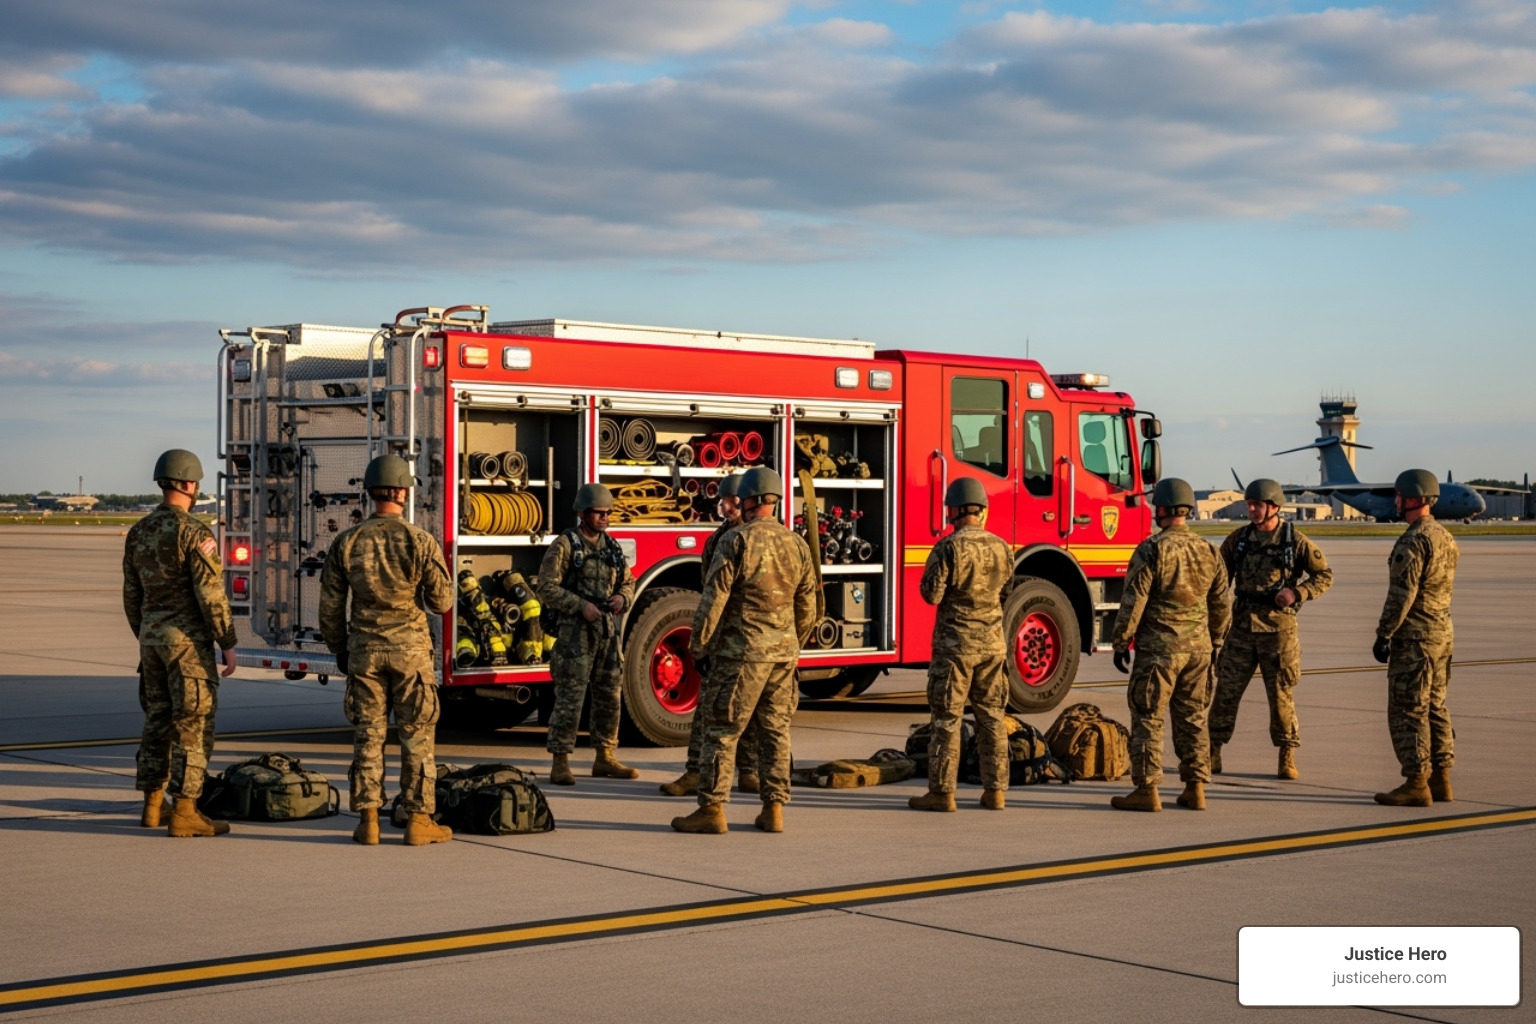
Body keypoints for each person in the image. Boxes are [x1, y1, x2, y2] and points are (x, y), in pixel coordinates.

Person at [320, 454, 455, 846]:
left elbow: (330, 607)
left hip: (364, 651)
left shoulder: (347, 541)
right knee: (416, 736)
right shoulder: (420, 541)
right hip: (410, 653)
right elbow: (442, 601)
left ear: (371, 491)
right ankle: (418, 820)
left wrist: (341, 648)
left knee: (369, 735)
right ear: (401, 491)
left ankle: (368, 821)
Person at [673, 467, 817, 834]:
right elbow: (809, 607)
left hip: (741, 655)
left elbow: (713, 599)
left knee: (722, 731)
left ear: (748, 499)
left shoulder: (736, 541)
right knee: (776, 732)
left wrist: (699, 647)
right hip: (783, 657)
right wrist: (790, 641)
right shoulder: (797, 543)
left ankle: (712, 810)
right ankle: (773, 810)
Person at [122, 449, 238, 837]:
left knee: (156, 722)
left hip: (151, 642)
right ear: (191, 484)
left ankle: (153, 807)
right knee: (192, 725)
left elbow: (131, 594)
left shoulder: (139, 531)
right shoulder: (194, 532)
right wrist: (227, 640)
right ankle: (186, 810)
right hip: (186, 645)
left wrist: (146, 634)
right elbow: (210, 595)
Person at [1108, 478, 1231, 812]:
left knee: (1148, 716)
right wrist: (1216, 641)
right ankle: (1195, 788)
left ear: (1160, 509)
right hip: (1199, 650)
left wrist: (1121, 642)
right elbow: (1221, 604)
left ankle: (1147, 789)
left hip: (1159, 650)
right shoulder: (1209, 551)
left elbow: (1133, 602)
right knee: (1192, 718)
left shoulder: (1152, 549)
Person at [1209, 478, 1332, 780]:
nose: (1252, 510)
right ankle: (1212, 751)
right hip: (1240, 629)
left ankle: (1286, 755)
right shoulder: (1238, 539)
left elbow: (1324, 575)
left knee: (1280, 697)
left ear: (1274, 507)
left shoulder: (1295, 541)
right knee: (1226, 692)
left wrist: (1298, 593)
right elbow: (1217, 577)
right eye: (1249, 504)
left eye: (1258, 505)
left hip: (1279, 631)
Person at [909, 478, 1015, 812]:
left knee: (947, 720)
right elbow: (1006, 589)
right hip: (992, 646)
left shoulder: (948, 548)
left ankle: (942, 793)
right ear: (983, 510)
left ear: (952, 510)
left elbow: (931, 595)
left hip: (955, 648)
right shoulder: (1003, 547)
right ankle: (995, 791)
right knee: (992, 718)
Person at [660, 473, 762, 797]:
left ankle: (748, 772)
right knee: (708, 707)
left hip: (747, 638)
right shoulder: (718, 539)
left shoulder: (755, 538)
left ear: (742, 501)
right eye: (723, 501)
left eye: (729, 501)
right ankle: (695, 772)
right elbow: (709, 590)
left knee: (750, 708)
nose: (723, 506)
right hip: (722, 637)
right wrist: (701, 643)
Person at [537, 483, 639, 786]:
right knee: (571, 698)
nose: (605, 518)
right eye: (599, 513)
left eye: (608, 513)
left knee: (609, 695)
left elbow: (628, 581)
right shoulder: (566, 545)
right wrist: (580, 606)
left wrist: (623, 598)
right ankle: (560, 761)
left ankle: (605, 756)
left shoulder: (612, 547)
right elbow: (546, 587)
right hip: (575, 633)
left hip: (606, 631)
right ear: (583, 513)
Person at [1372, 469, 1459, 807]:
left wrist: (1384, 633)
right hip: (1442, 636)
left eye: (1398, 495)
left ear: (1412, 498)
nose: (1395, 501)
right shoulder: (1445, 537)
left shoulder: (1413, 540)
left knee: (1408, 709)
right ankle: (1442, 778)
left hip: (1415, 639)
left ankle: (1415, 782)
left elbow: (1402, 594)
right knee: (1436, 707)